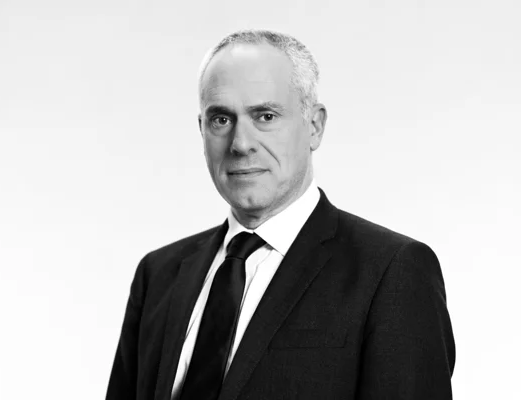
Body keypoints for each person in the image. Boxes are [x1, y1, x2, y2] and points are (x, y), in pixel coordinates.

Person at [106, 29, 455, 400]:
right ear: (201, 131)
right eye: (221, 119)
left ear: (315, 126)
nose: (241, 144)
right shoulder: (158, 275)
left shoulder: (391, 272)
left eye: (266, 116)